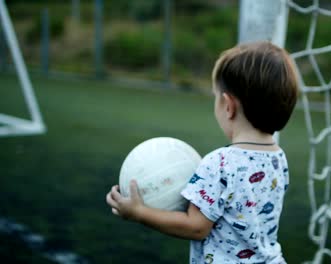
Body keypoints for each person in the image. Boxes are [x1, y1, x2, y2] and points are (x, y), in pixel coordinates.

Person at [106, 41, 299, 263]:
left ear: (228, 106)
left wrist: (139, 213)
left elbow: (196, 227)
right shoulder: (278, 158)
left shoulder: (220, 163)